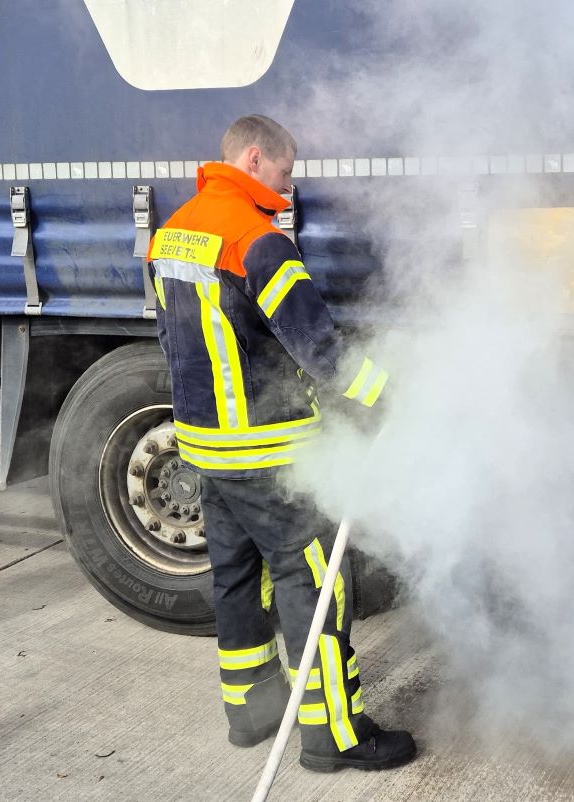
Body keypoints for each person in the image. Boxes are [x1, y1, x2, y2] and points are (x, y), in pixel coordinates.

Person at [147, 114, 415, 772]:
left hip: (204, 448)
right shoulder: (257, 241)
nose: (290, 185)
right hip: (268, 452)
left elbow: (169, 338)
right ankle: (335, 736)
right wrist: (385, 393)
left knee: (236, 578)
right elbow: (318, 347)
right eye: (285, 170)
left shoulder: (171, 233)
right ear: (254, 158)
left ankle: (251, 712)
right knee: (314, 581)